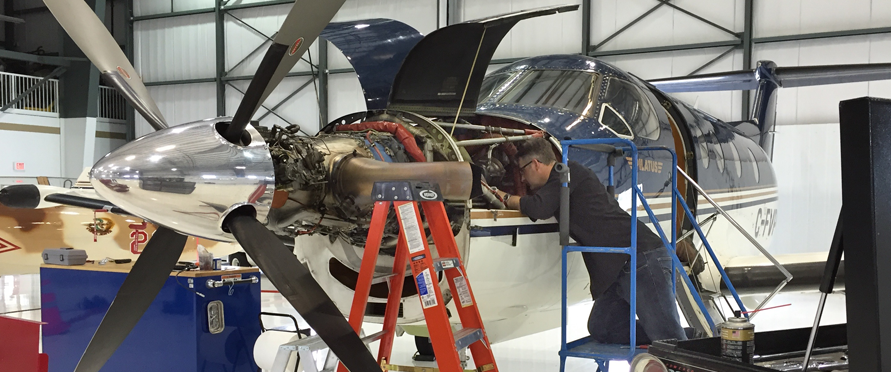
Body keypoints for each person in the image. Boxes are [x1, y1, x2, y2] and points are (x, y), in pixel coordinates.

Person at [493, 137, 687, 345]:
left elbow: (538, 208)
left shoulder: (567, 174)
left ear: (535, 164)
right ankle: (679, 341)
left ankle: (678, 345)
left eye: (522, 171)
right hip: (618, 266)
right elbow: (539, 205)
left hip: (640, 258)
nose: (521, 179)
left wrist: (503, 197)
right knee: (603, 327)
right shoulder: (560, 183)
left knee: (668, 337)